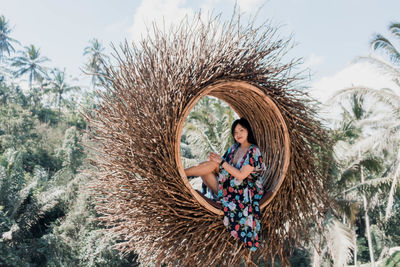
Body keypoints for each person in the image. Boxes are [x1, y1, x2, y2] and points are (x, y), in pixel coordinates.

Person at [184, 118, 266, 251]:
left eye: (241, 130)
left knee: (214, 165)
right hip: (231, 186)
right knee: (209, 167)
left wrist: (220, 162)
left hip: (245, 190)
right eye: (235, 132)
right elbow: (221, 166)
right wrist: (216, 160)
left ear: (248, 131)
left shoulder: (253, 151)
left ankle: (181, 173)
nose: (238, 134)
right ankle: (181, 173)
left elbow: (240, 175)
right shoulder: (234, 148)